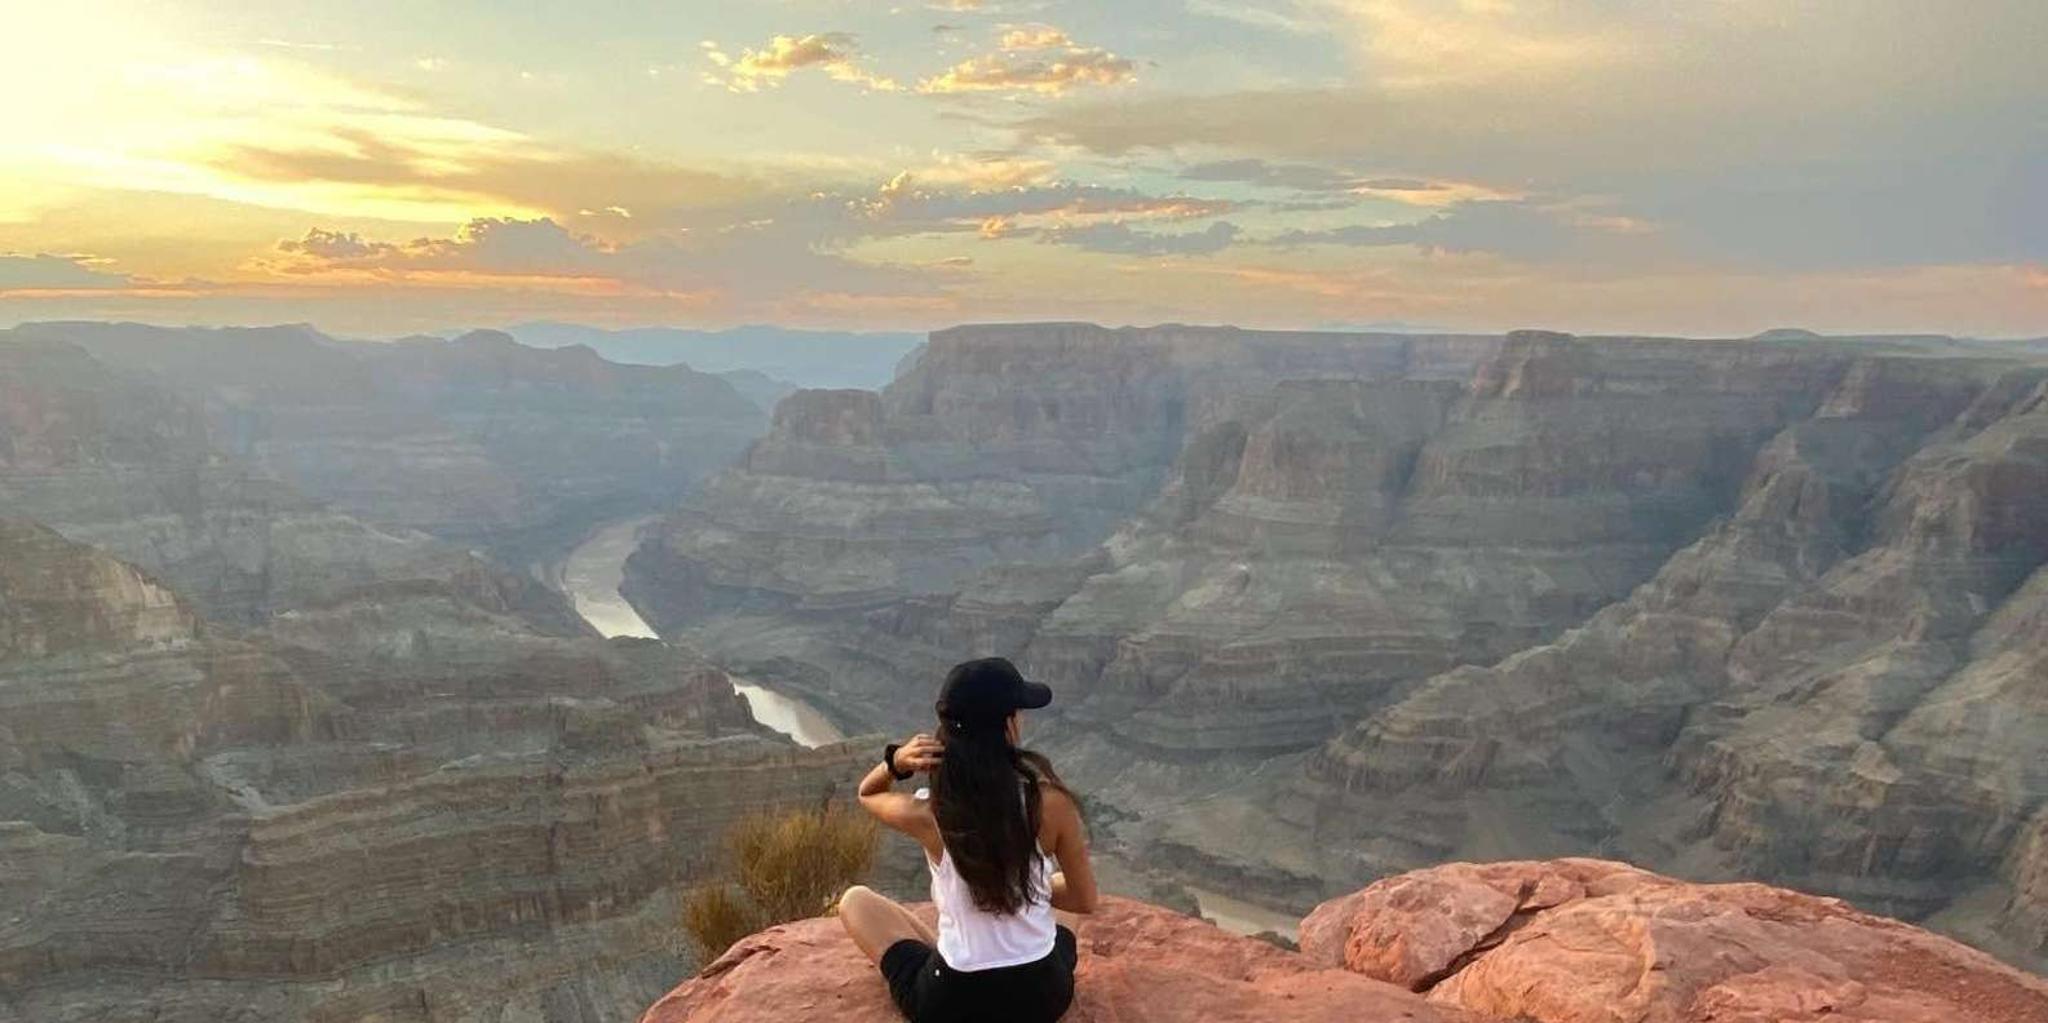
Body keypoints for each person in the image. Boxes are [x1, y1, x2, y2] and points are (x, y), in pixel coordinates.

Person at [839, 657, 1099, 1023]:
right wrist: (1026, 891)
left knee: (856, 902)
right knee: (1057, 887)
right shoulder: (1051, 804)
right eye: (1018, 712)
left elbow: (867, 794)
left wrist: (896, 761)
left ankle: (957, 948)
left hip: (954, 1002)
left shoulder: (930, 814)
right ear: (1009, 725)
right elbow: (1085, 901)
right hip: (1041, 995)